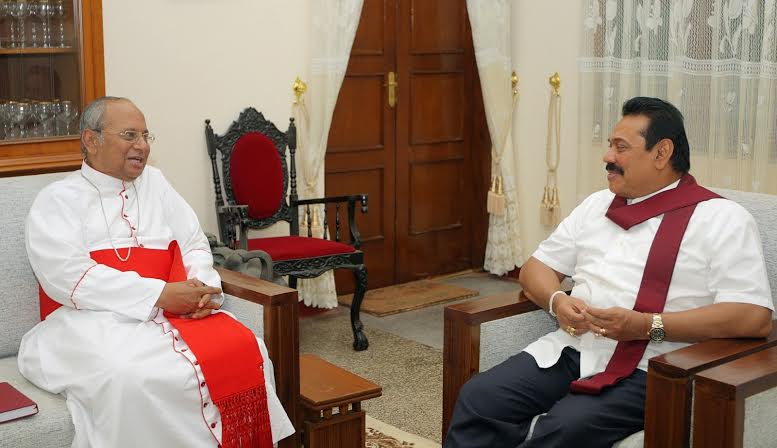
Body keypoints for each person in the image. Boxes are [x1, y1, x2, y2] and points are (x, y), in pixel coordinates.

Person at [445, 97, 774, 448]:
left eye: (621, 148)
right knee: (481, 398)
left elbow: (753, 317)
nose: (607, 158)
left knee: (563, 430)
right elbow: (536, 268)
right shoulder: (597, 205)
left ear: (662, 153)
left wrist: (647, 325)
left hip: (654, 365)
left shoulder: (722, 219)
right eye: (609, 146)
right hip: (575, 348)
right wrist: (557, 303)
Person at [18, 96, 295, 447]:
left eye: (146, 136)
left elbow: (194, 243)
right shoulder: (57, 199)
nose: (142, 146)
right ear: (91, 140)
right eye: (130, 135)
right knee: (129, 375)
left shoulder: (156, 184)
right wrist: (159, 295)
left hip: (173, 313)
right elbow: (68, 277)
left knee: (248, 346)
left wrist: (203, 290)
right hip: (90, 318)